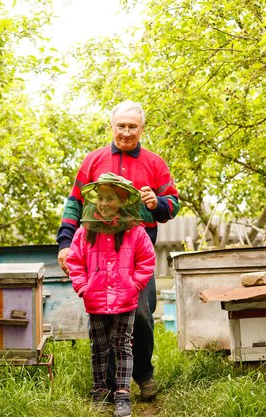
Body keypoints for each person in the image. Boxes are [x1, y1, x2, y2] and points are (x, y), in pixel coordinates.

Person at [57, 100, 180, 400]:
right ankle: (110, 385)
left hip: (136, 257)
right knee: (103, 318)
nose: (126, 132)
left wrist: (157, 204)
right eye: (121, 126)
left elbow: (173, 203)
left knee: (140, 315)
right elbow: (75, 202)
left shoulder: (155, 163)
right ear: (111, 127)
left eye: (132, 126)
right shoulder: (93, 161)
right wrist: (64, 242)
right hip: (98, 256)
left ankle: (143, 375)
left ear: (141, 129)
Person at [66, 173, 156, 417]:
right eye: (101, 198)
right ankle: (100, 391)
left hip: (126, 300)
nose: (104, 203)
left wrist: (134, 284)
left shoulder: (135, 232)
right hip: (95, 300)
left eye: (110, 198)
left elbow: (147, 260)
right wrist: (83, 288)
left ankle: (122, 395)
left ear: (123, 200)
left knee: (123, 346)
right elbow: (74, 262)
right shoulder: (85, 232)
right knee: (99, 347)